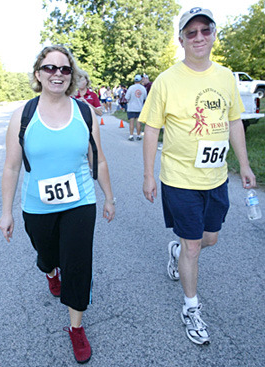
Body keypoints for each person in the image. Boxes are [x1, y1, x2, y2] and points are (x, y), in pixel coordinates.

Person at [140, 7, 256, 346]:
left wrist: (245, 165)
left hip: (217, 178)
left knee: (209, 240)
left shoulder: (225, 76)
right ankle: (191, 307)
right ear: (181, 40)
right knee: (194, 247)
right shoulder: (166, 81)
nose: (199, 37)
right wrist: (149, 174)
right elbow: (150, 129)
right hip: (179, 179)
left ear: (214, 34)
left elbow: (235, 121)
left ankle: (176, 249)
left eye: (205, 30)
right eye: (191, 33)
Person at [0, 45, 115, 363]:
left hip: (80, 201)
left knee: (78, 264)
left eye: (64, 69)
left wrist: (108, 196)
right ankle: (50, 271)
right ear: (38, 74)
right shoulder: (24, 115)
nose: (57, 74)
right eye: (50, 68)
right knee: (48, 256)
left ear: (71, 76)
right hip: (38, 206)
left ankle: (76, 328)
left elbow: (97, 158)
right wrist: (6, 212)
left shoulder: (84, 112)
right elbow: (11, 167)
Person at [125, 74, 147, 141]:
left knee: (131, 122)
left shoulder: (131, 88)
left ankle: (131, 135)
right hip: (140, 108)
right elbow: (145, 98)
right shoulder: (143, 88)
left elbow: (127, 98)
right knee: (138, 122)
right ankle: (138, 135)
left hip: (131, 107)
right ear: (140, 80)